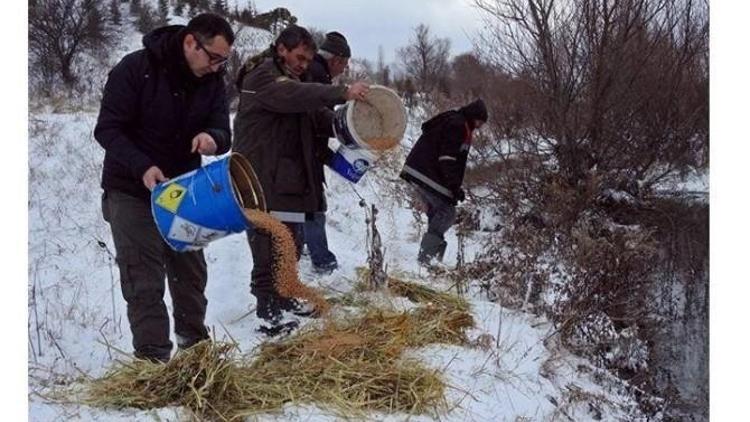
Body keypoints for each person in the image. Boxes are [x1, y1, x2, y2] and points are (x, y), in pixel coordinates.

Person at [94, 14, 234, 362]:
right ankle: (153, 362)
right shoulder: (136, 68)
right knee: (144, 276)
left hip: (183, 191)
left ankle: (195, 351)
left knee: (190, 274)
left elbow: (223, 131)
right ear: (190, 43)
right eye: (214, 58)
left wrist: (211, 139)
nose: (218, 67)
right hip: (130, 188)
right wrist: (142, 165)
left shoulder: (212, 81)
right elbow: (107, 129)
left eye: (224, 61)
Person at [233, 25, 369, 334]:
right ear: (282, 49)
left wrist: (345, 126)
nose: (304, 65)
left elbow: (312, 114)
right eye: (299, 58)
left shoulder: (292, 78)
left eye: (308, 61)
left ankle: (282, 298)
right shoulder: (264, 76)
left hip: (286, 179)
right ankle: (267, 311)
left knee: (291, 243)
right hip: (260, 177)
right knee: (267, 245)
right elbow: (293, 96)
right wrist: (342, 92)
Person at [399, 99, 489, 265]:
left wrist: (453, 187)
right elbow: (447, 158)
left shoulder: (455, 120)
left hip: (420, 170)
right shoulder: (458, 125)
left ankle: (431, 259)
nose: (479, 126)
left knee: (438, 211)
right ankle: (427, 259)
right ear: (474, 116)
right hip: (425, 173)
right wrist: (454, 187)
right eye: (479, 122)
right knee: (447, 212)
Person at [302, 31, 352, 274]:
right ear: (336, 60)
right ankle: (322, 260)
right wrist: (345, 130)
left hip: (304, 149)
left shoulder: (312, 71)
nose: (343, 70)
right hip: (302, 150)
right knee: (313, 205)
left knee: (302, 204)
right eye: (344, 64)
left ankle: (299, 248)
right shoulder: (317, 74)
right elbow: (317, 120)